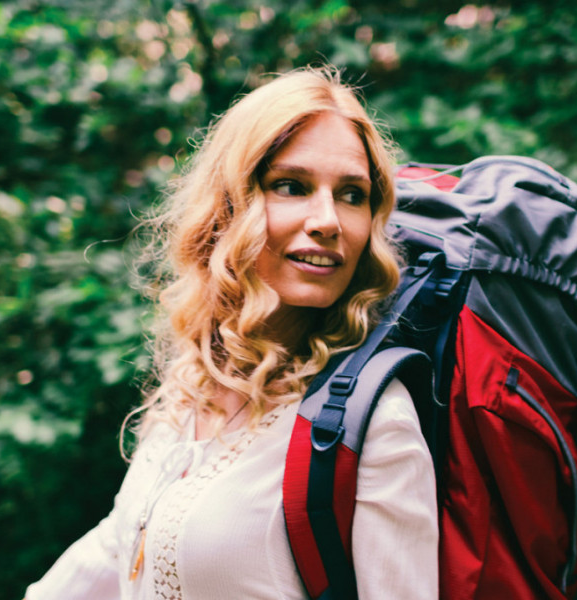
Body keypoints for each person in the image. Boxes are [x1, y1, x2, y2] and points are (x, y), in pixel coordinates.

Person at [24, 66, 438, 599]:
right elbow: (122, 544)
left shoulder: (375, 426)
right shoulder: (194, 384)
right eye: (291, 186)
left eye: (352, 194)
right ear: (228, 205)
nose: (329, 220)